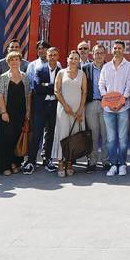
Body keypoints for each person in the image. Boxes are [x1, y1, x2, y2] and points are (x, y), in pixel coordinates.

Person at [99, 40, 130, 177]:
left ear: (124, 50)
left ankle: (122, 164)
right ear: (112, 50)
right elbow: (101, 84)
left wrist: (121, 101)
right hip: (108, 109)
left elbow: (129, 86)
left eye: (119, 48)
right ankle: (113, 164)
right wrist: (107, 100)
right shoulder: (106, 67)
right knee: (111, 138)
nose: (117, 50)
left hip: (123, 108)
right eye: (115, 48)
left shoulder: (129, 66)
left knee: (123, 138)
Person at [24, 46, 61, 174]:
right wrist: (53, 87)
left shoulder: (61, 71)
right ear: (47, 56)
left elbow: (60, 90)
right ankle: (31, 161)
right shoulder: (39, 69)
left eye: (55, 55)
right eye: (50, 55)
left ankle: (47, 159)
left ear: (58, 57)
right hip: (40, 107)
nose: (52, 57)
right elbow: (37, 88)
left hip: (54, 107)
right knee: (36, 134)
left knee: (50, 134)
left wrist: (47, 86)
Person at [0, 51, 31, 175]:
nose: (14, 62)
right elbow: (0, 95)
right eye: (12, 60)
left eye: (16, 59)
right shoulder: (3, 77)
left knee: (17, 138)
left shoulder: (25, 77)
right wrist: (4, 112)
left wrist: (28, 111)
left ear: (20, 61)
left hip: (20, 113)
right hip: (7, 113)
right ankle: (4, 166)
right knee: (6, 139)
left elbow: (28, 95)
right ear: (8, 62)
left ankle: (15, 163)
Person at [53, 50, 86, 178]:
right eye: (71, 58)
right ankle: (60, 162)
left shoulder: (82, 74)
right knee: (63, 135)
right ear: (67, 59)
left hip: (77, 111)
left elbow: (84, 92)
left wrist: (80, 110)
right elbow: (56, 91)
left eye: (76, 59)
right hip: (63, 109)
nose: (73, 60)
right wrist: (65, 106)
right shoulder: (61, 73)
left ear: (79, 61)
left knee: (73, 136)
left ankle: (69, 162)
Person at [81, 44, 109, 172]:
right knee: (92, 135)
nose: (99, 55)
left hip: (106, 104)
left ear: (105, 54)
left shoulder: (109, 67)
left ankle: (106, 161)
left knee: (105, 134)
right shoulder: (85, 68)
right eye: (96, 53)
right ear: (92, 54)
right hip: (91, 104)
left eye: (101, 53)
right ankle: (92, 161)